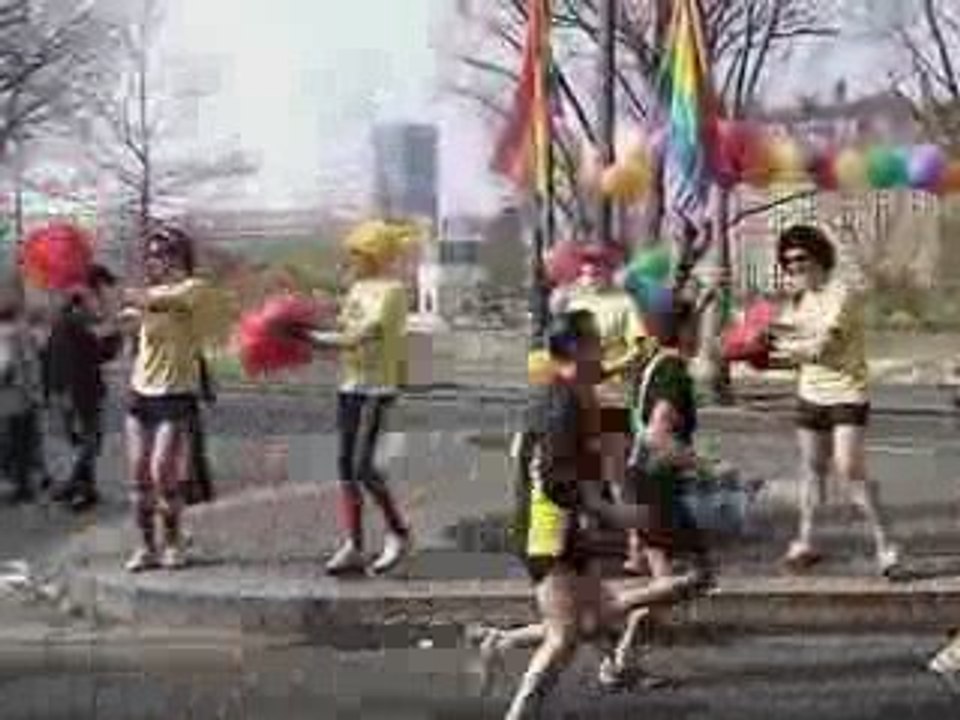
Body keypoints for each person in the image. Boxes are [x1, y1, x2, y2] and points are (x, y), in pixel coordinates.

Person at [488, 308, 711, 720]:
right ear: (575, 347)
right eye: (595, 341)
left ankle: (503, 644)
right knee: (564, 636)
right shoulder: (559, 402)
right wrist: (614, 513)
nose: (602, 348)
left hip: (565, 527)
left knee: (592, 620)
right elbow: (553, 479)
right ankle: (519, 711)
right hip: (548, 530)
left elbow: (532, 456)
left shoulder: (572, 393)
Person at [769, 224, 901, 577]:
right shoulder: (798, 300)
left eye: (800, 259)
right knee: (812, 471)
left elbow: (819, 348)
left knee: (849, 469)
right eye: (787, 262)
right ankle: (806, 541)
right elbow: (779, 337)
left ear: (819, 257)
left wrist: (775, 349)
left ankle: (885, 543)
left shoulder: (841, 294)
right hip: (810, 394)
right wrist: (759, 341)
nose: (794, 267)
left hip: (846, 392)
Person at [295, 220, 416, 576]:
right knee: (346, 467)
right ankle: (354, 544)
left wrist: (314, 340)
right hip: (350, 385)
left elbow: (363, 335)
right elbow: (344, 333)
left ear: (375, 255)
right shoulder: (357, 288)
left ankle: (399, 532)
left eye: (358, 253)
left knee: (363, 465)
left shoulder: (392, 291)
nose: (352, 259)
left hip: (377, 387)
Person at [566, 243, 659, 576]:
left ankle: (638, 545)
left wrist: (609, 368)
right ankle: (590, 542)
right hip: (578, 401)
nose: (589, 272)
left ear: (608, 269)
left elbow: (642, 346)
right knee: (582, 473)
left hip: (611, 400)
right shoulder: (574, 302)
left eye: (596, 266)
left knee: (617, 476)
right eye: (585, 266)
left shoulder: (623, 303)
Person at [121, 225, 210, 572]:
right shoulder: (147, 298)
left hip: (174, 395)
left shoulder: (193, 290)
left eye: (163, 253)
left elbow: (162, 301)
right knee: (138, 475)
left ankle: (173, 542)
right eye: (153, 254)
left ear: (181, 257)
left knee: (162, 472)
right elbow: (122, 322)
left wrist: (131, 296)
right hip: (140, 392)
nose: (156, 260)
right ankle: (146, 546)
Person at [47, 264, 123, 511]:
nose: (101, 297)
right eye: (100, 291)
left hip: (72, 390)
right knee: (91, 441)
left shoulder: (66, 318)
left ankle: (85, 489)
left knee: (86, 439)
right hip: (81, 391)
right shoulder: (77, 321)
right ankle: (72, 486)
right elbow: (101, 353)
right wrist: (115, 334)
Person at [0, 286, 43, 504]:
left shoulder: (7, 335)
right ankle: (25, 486)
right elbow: (29, 365)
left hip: (12, 401)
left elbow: (5, 367)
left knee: (15, 444)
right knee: (24, 443)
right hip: (24, 399)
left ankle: (21, 487)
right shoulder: (21, 333)